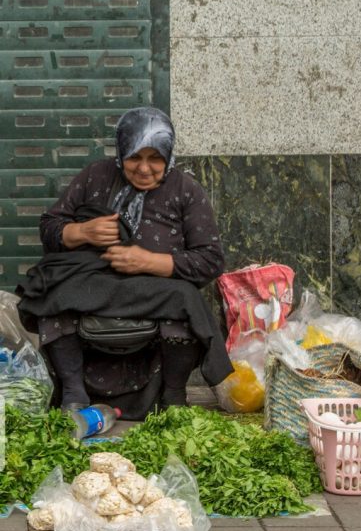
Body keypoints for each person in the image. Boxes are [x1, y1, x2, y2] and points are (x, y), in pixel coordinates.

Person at [17, 107, 232, 416]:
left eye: (155, 158)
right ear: (120, 154)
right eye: (134, 157)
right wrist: (81, 231)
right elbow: (49, 226)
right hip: (96, 284)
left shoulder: (186, 190)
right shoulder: (96, 176)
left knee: (187, 299)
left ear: (168, 155)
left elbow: (210, 260)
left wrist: (148, 261)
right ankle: (74, 394)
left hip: (154, 289)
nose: (144, 168)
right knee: (50, 292)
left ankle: (173, 397)